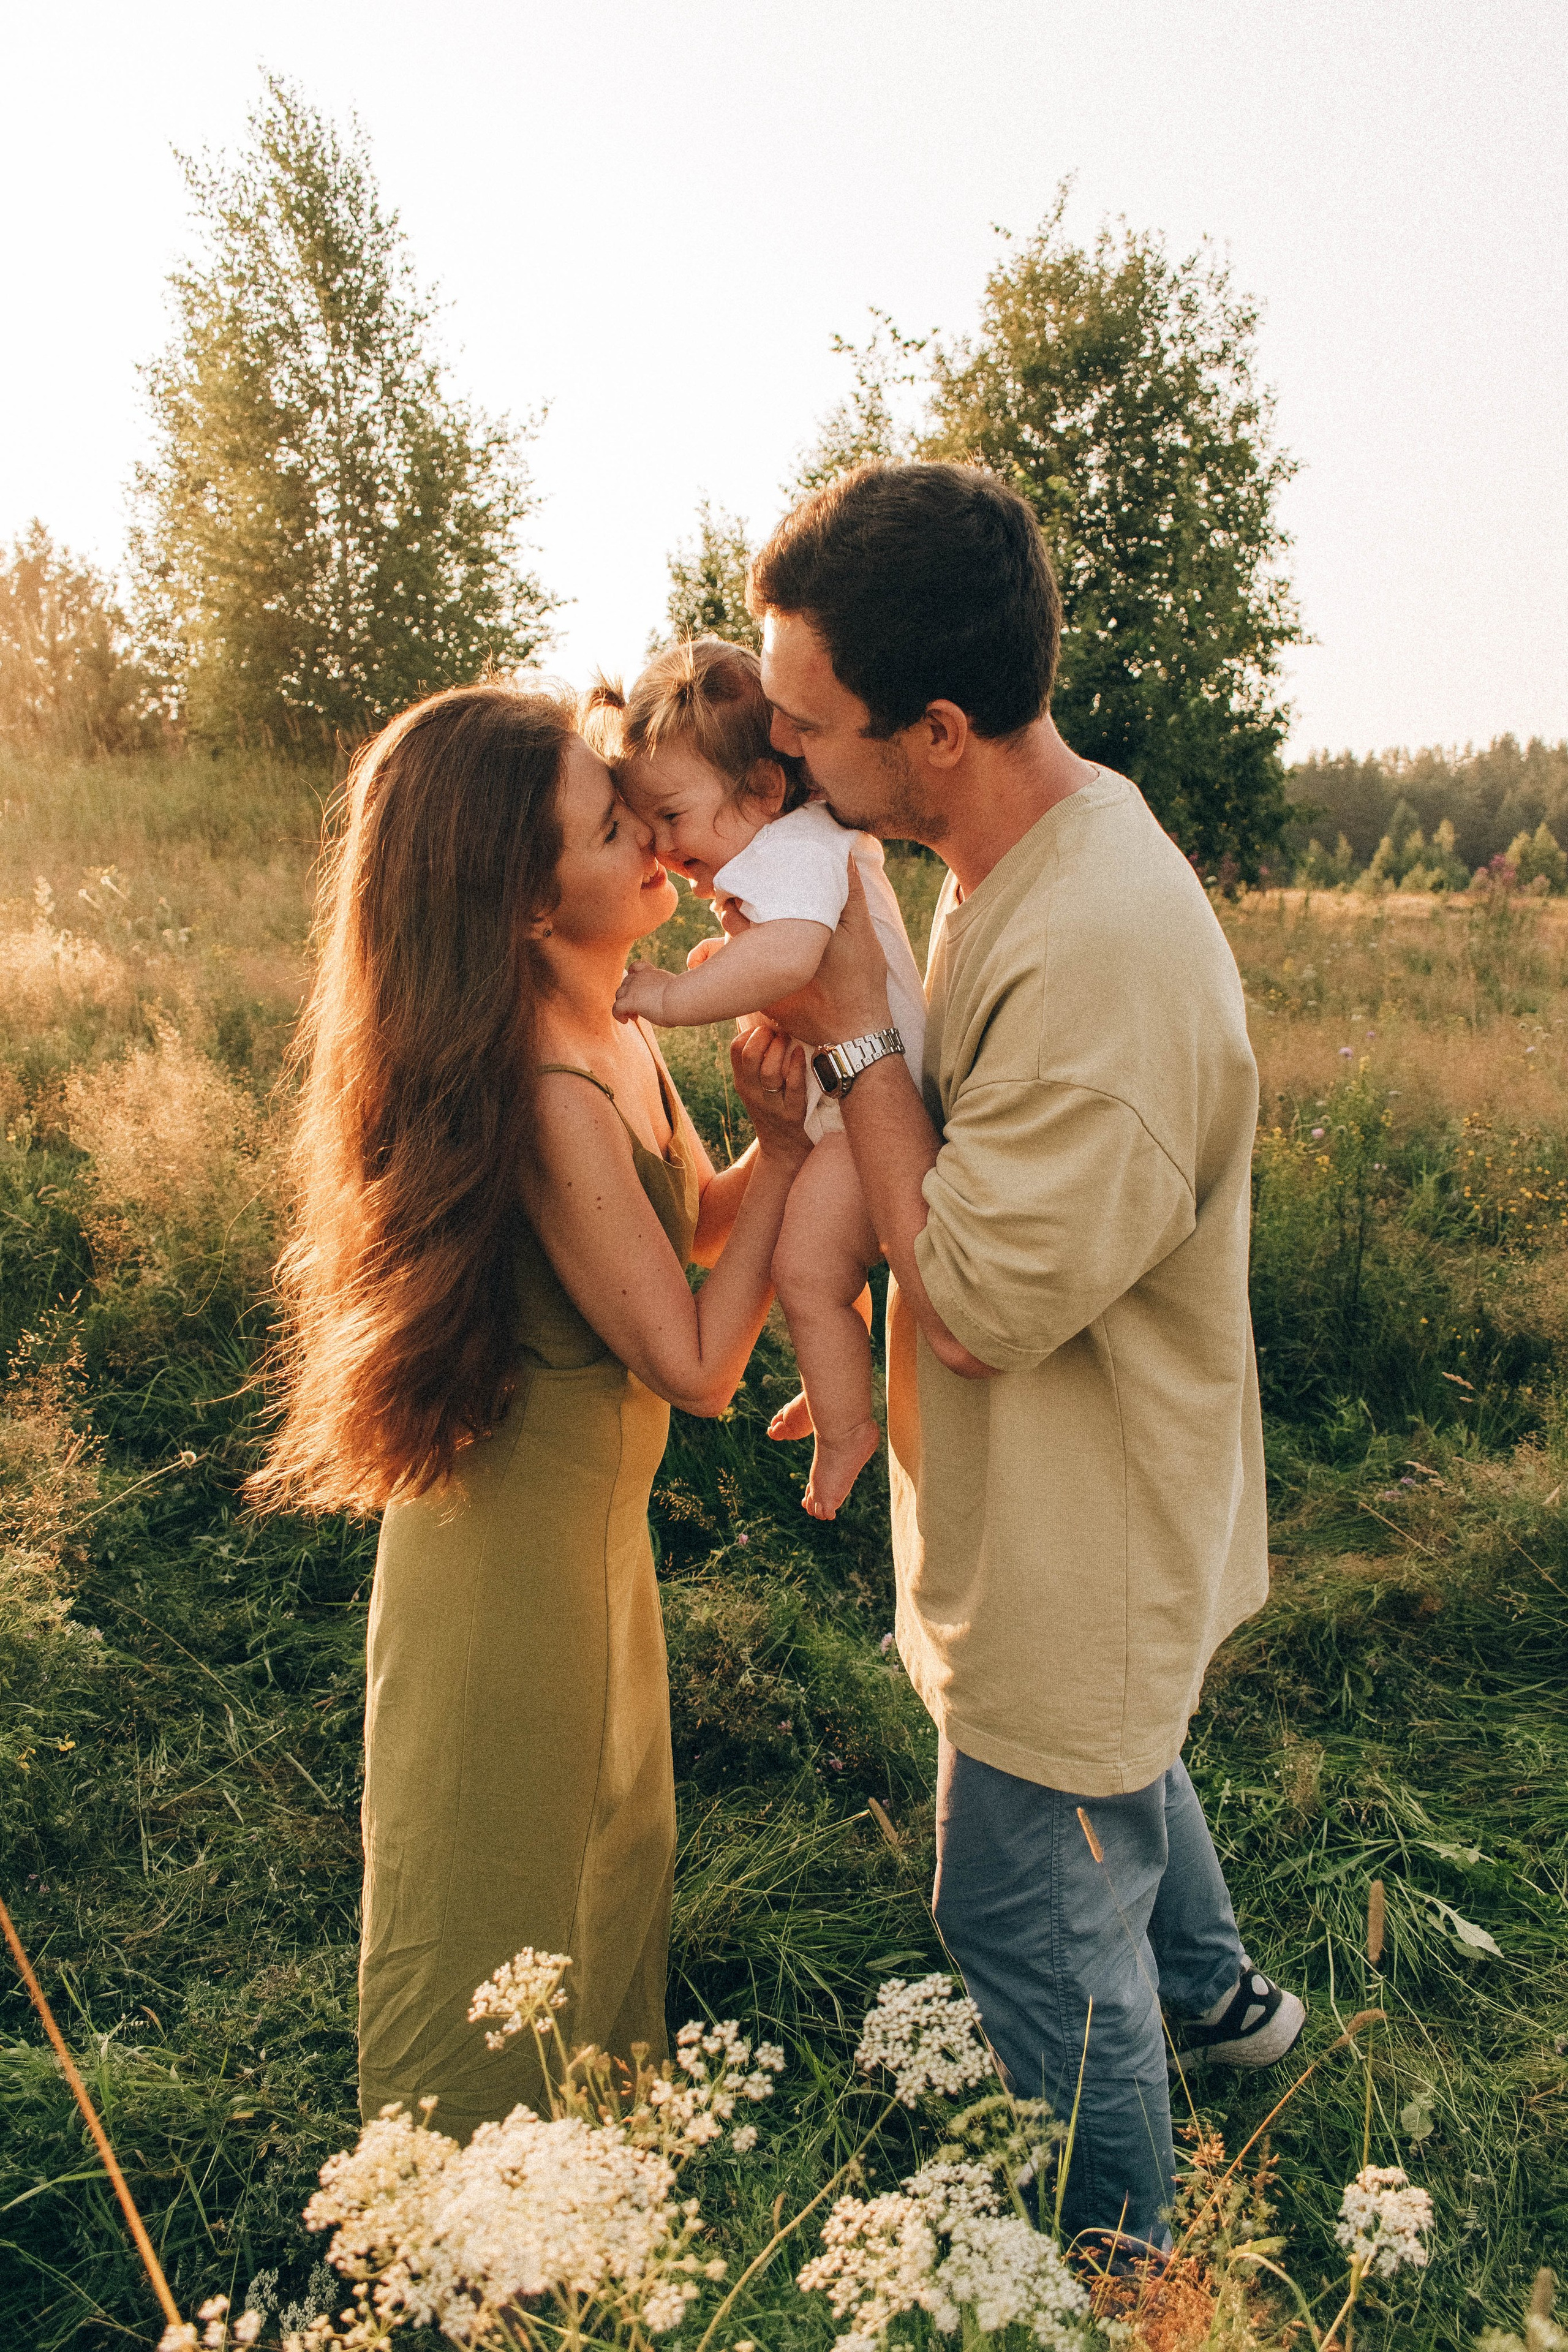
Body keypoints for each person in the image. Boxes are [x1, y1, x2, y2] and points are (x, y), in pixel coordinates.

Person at [745, 461, 1304, 2258]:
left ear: (938, 726)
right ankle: (1225, 2008)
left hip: (1083, 1516)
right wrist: (836, 1092)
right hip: (1063, 1512)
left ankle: (1131, 2270)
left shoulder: (1103, 950)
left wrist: (853, 1057)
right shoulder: (999, 854)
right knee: (1109, 1753)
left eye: (807, 729)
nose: (782, 763)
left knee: (1020, 1910)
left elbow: (977, 1310)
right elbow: (944, 1150)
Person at [248, 682, 809, 2138]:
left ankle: (586, 2227)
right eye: (610, 824)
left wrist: (769, 1140)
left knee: (608, 1868)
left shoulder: (612, 1028)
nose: (654, 847)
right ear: (514, 895)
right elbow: (694, 1361)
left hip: (590, 1559)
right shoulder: (545, 1084)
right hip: (504, 1578)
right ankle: (458, 2247)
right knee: (491, 1910)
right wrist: (801, 1149)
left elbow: (687, 1231)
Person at [607, 638, 925, 1518]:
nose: (664, 849)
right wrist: (725, 961)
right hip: (852, 1113)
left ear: (760, 790)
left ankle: (847, 1427)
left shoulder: (795, 848)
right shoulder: (790, 851)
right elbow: (777, 955)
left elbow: (791, 953)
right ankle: (839, 1388)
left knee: (806, 1263)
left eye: (672, 816)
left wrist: (677, 996)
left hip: (874, 1113)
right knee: (811, 1266)